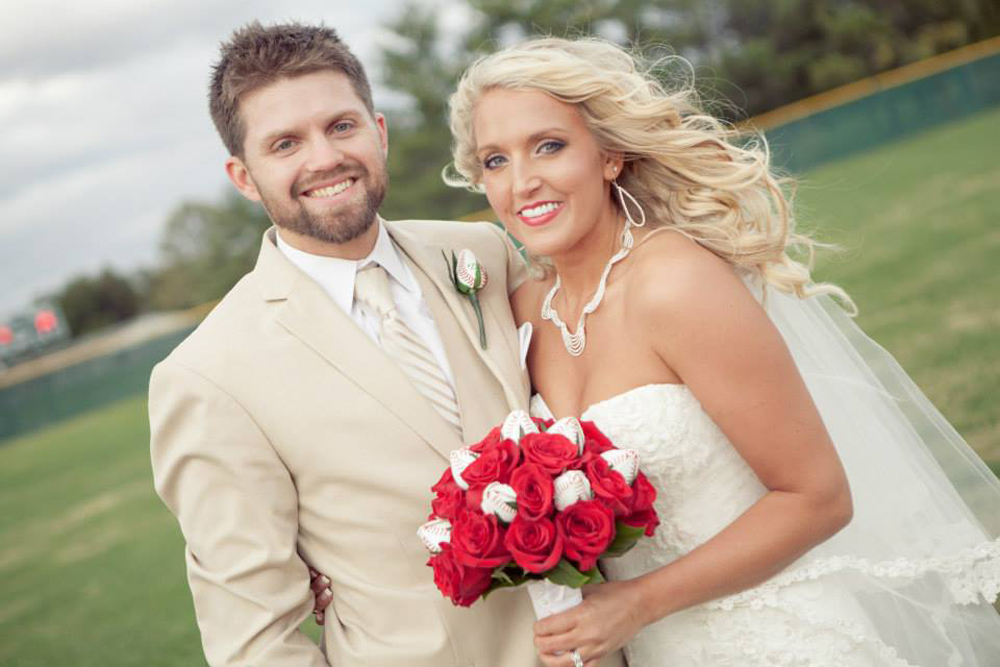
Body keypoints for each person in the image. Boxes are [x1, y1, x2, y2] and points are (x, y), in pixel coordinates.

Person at [444, 37, 1000, 666]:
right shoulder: (521, 317)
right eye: (495, 160)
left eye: (549, 145)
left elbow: (817, 497)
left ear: (610, 156)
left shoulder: (675, 282)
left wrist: (637, 603)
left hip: (774, 638)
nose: (523, 182)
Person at [148, 22, 626, 667]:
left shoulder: (484, 252)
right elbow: (254, 642)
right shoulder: (206, 377)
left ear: (380, 131)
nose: (323, 158)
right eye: (285, 143)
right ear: (244, 176)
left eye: (341, 127)